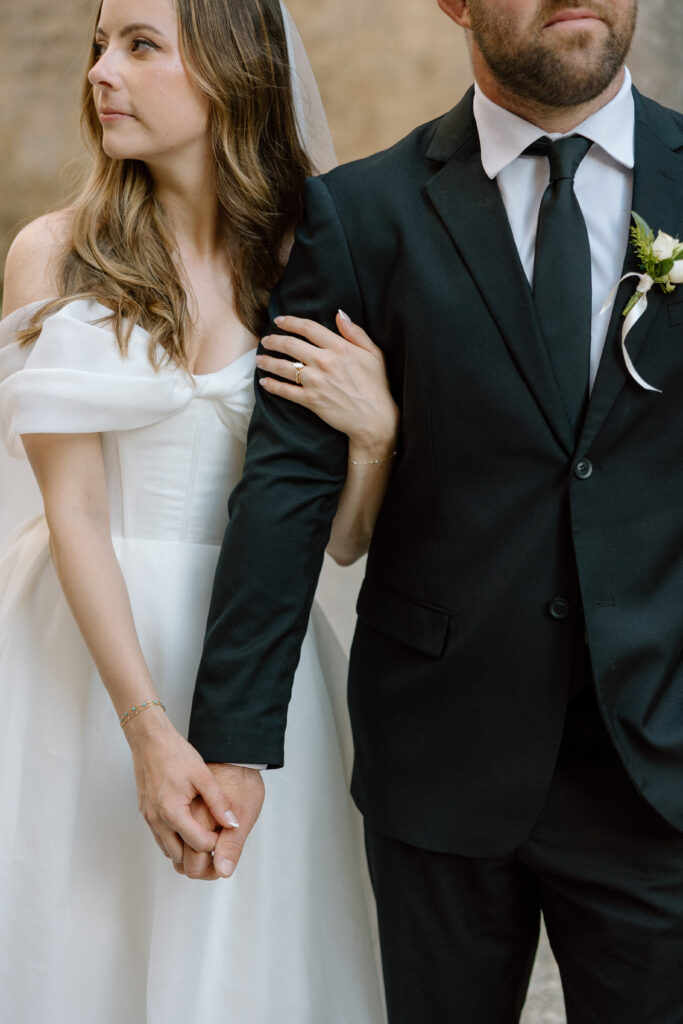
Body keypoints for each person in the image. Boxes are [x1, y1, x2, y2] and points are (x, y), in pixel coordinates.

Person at [148, 1, 682, 1021]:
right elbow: (288, 484)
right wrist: (231, 744)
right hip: (439, 765)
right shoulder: (362, 213)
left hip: (656, 769)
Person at [0, 1, 391, 1021]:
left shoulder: (299, 264)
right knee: (79, 948)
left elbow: (340, 538)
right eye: (96, 46)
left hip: (256, 666)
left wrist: (376, 436)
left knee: (242, 967)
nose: (100, 73)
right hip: (83, 663)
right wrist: (145, 730)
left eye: (137, 46)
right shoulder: (55, 255)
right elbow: (72, 511)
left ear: (227, 71)